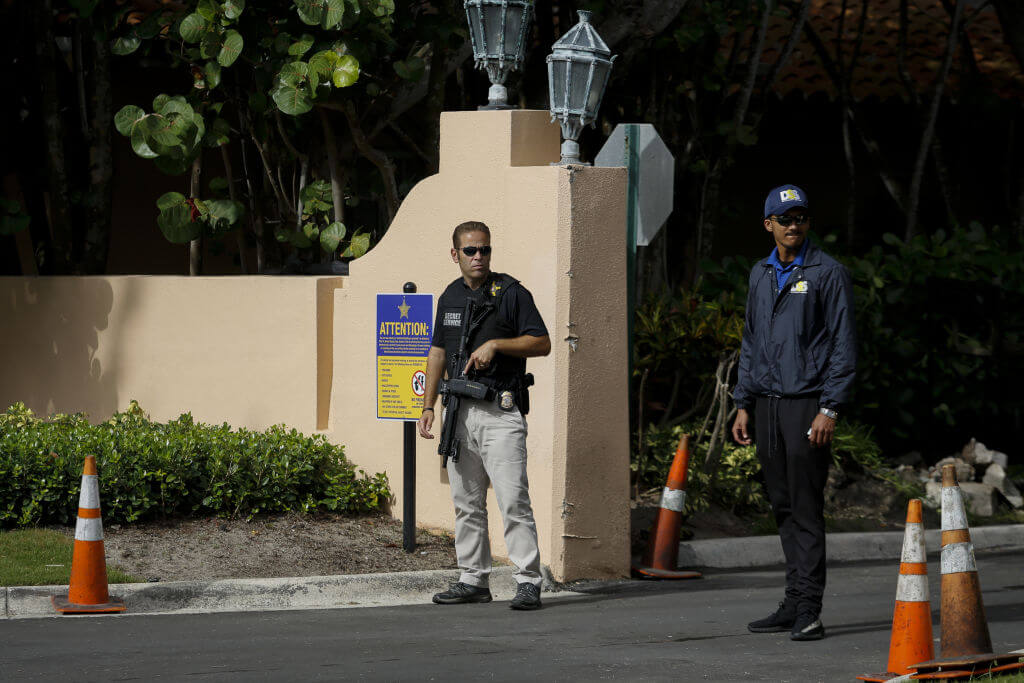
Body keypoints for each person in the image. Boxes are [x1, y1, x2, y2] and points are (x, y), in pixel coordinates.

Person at [731, 184, 856, 641]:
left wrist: (830, 407)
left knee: (805, 506)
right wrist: (743, 403)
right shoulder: (759, 273)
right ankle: (792, 599)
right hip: (766, 405)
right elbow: (751, 342)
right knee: (782, 505)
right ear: (769, 225)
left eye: (800, 218)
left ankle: (810, 608)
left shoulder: (828, 273)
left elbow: (843, 346)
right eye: (784, 219)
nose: (793, 226)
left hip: (807, 404)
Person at [418, 220, 551, 610]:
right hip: (458, 412)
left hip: (500, 412)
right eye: (471, 251)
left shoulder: (510, 293)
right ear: (455, 254)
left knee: (512, 500)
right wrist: (428, 406)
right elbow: (438, 352)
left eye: (485, 250)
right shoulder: (450, 297)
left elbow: (540, 341)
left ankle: (528, 580)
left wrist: (497, 344)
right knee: (466, 501)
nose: (479, 257)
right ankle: (473, 578)